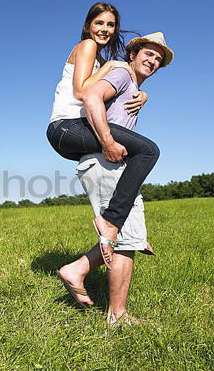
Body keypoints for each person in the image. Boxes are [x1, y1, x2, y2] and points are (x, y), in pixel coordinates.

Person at [55, 32, 174, 327]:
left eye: (159, 59)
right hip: (104, 161)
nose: (154, 61)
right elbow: (92, 95)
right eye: (149, 54)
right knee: (122, 236)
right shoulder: (121, 73)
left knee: (126, 238)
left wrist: (141, 94)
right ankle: (117, 317)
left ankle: (77, 270)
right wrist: (108, 142)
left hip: (108, 162)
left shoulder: (130, 85)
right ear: (132, 55)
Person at [47, 4, 168, 268]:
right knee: (148, 150)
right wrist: (112, 65)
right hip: (67, 126)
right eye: (99, 23)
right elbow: (82, 92)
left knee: (131, 157)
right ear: (88, 25)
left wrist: (143, 94)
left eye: (110, 25)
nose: (104, 29)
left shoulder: (100, 58)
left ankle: (125, 228)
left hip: (72, 131)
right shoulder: (88, 46)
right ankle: (112, 221)